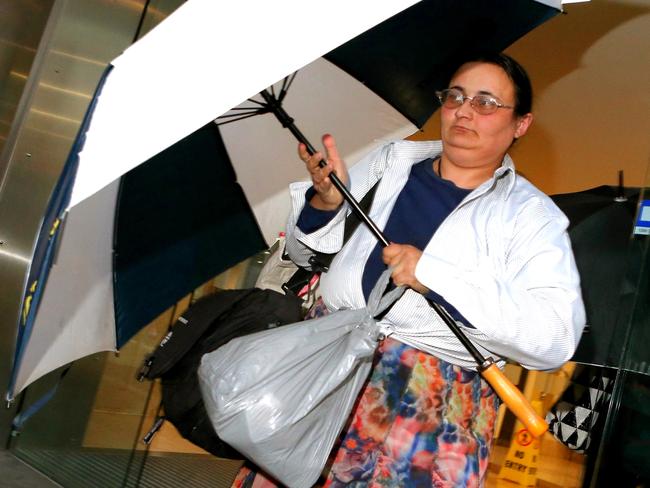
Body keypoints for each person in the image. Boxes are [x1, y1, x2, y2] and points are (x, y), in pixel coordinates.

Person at [232, 53, 585, 487]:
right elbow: (308, 258)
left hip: (428, 404)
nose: (464, 110)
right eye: (455, 95)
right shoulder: (391, 163)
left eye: (487, 102)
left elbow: (554, 337)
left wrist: (434, 275)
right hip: (326, 368)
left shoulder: (530, 217)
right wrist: (325, 202)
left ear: (521, 124)